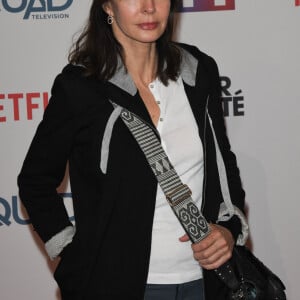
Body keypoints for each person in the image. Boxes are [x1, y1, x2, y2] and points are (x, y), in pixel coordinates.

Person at [18, 0, 248, 299]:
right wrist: (75, 257)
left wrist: (229, 228)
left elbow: (223, 161)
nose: (149, 7)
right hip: (119, 286)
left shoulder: (198, 70)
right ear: (108, 7)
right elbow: (35, 181)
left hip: (206, 280)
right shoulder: (80, 88)